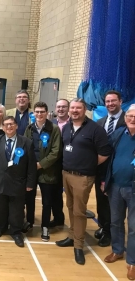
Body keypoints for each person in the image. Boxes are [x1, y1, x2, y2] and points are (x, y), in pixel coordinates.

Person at [56, 98, 111, 265]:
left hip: (83, 177)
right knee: (71, 208)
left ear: (84, 109)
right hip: (66, 174)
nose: (74, 111)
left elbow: (105, 153)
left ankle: (79, 246)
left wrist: (88, 164)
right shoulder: (66, 128)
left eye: (78, 108)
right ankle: (73, 236)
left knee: (79, 212)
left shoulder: (95, 129)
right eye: (72, 108)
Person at [0, 116, 37, 247]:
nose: (9, 127)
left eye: (11, 124)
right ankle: (0, 228)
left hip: (18, 182)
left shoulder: (26, 142)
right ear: (2, 127)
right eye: (6, 125)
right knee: (0, 207)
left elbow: (31, 165)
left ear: (17, 126)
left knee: (17, 209)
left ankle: (16, 231)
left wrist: (30, 183)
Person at [102, 104, 135, 280]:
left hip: (133, 188)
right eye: (130, 116)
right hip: (115, 186)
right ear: (126, 117)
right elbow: (107, 154)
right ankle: (117, 250)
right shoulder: (118, 134)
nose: (132, 119)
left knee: (134, 227)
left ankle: (132, 262)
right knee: (115, 221)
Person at [24, 101, 62, 242]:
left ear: (47, 113)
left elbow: (56, 151)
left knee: (47, 202)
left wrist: (41, 164)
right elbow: (25, 147)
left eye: (42, 112)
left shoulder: (54, 129)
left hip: (48, 171)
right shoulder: (29, 128)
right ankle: (29, 222)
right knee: (29, 199)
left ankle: (45, 226)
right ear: (33, 113)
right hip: (31, 171)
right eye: (37, 112)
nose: (39, 114)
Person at [94, 90, 126, 247]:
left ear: (120, 101)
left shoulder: (129, 120)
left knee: (115, 204)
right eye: (107, 101)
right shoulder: (100, 122)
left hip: (119, 169)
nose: (110, 104)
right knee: (101, 201)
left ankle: (112, 233)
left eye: (113, 101)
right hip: (101, 169)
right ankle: (104, 227)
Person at [49, 99, 70, 227]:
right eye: (59, 107)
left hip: (68, 163)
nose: (61, 109)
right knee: (54, 193)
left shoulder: (73, 124)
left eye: (64, 107)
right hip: (53, 164)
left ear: (68, 108)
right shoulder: (50, 123)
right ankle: (58, 218)